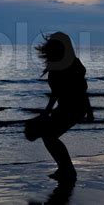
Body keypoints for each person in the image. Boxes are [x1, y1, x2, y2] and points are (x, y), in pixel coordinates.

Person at [36, 32, 94, 181]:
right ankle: (65, 169)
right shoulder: (59, 64)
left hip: (74, 108)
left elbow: (81, 89)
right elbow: (56, 93)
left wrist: (89, 110)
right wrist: (47, 112)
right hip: (67, 107)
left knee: (49, 136)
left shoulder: (72, 65)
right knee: (49, 135)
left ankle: (67, 170)